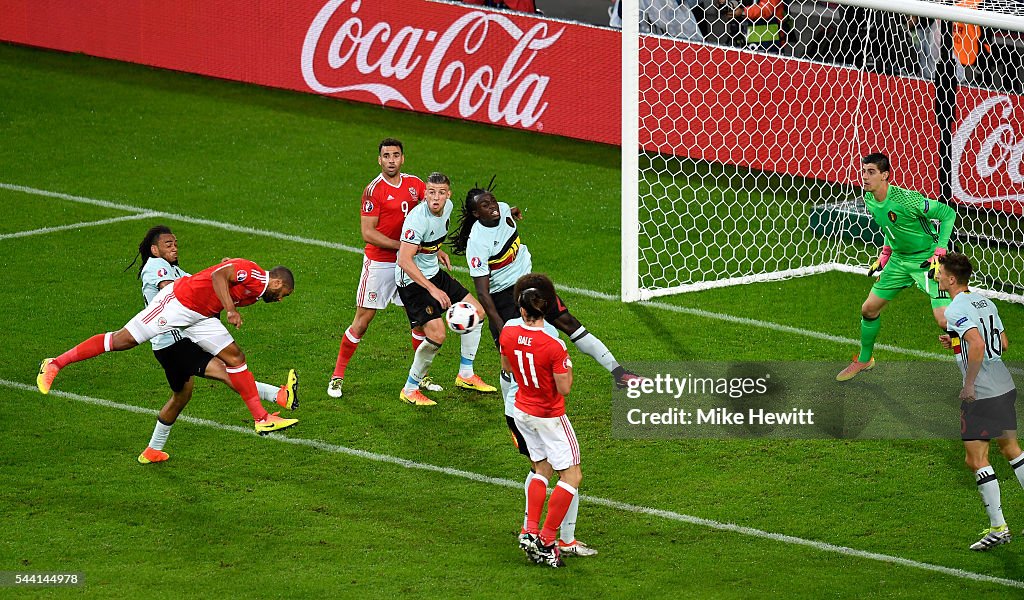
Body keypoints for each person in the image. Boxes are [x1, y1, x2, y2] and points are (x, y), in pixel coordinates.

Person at [37, 258, 298, 435]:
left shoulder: (254, 293)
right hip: (177, 303)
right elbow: (220, 275)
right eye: (283, 295)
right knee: (122, 341)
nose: (280, 300)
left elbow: (223, 266)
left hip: (201, 316)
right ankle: (55, 363)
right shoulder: (253, 274)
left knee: (236, 358)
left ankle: (262, 419)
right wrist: (230, 310)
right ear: (277, 283)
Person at [129, 225, 299, 464]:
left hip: (171, 342)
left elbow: (200, 286)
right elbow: (172, 296)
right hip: (175, 340)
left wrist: (224, 273)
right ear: (154, 250)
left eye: (176, 243)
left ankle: (152, 450)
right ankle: (278, 397)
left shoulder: (173, 269)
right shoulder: (156, 267)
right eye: (168, 245)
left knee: (181, 397)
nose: (174, 248)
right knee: (228, 368)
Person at [449, 187, 646, 390]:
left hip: (529, 284)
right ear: (476, 214)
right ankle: (514, 411)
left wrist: (514, 211)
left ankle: (620, 374)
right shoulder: (478, 243)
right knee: (513, 362)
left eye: (493, 201)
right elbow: (482, 291)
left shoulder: (504, 209)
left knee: (570, 323)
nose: (493, 207)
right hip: (503, 299)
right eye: (485, 205)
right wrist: (499, 325)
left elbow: (508, 211)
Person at [327, 138, 442, 399]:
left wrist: (434, 246)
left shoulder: (416, 185)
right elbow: (368, 233)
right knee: (362, 322)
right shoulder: (373, 191)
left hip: (408, 263)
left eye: (396, 155)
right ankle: (337, 376)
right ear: (379, 160)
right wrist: (402, 246)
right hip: (380, 263)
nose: (391, 160)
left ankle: (420, 377)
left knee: (419, 322)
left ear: (403, 158)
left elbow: (430, 215)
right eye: (386, 156)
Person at [836, 153, 956, 381]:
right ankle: (864, 359)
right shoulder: (870, 199)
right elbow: (890, 228)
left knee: (945, 321)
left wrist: (940, 251)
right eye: (863, 171)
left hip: (926, 260)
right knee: (868, 310)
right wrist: (886, 253)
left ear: (885, 175)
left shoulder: (907, 200)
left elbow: (948, 213)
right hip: (899, 261)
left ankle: (978, 365)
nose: (865, 177)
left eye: (871, 172)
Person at [936, 253, 1022, 551]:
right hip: (1003, 384)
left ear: (950, 279)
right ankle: (999, 528)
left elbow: (978, 343)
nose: (936, 273)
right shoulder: (986, 302)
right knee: (1012, 450)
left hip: (982, 392)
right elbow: (1003, 343)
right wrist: (956, 340)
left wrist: (970, 384)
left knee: (975, 460)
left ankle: (999, 528)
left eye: (940, 270)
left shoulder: (955, 307)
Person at [500, 275, 581, 568]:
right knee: (571, 476)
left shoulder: (508, 331)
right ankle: (547, 540)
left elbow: (507, 366)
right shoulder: (553, 344)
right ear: (544, 310)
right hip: (549, 415)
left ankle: (528, 530)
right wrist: (567, 366)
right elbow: (564, 388)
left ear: (522, 310)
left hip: (521, 410)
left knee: (541, 468)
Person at [395, 172, 496, 406]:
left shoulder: (448, 207)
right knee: (437, 334)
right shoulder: (416, 219)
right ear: (425, 194)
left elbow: (430, 240)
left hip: (433, 273)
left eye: (441, 193)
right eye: (431, 192)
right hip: (412, 282)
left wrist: (437, 251)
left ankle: (466, 375)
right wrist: (433, 289)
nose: (436, 198)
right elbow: (404, 260)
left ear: (448, 195)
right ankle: (410, 389)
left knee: (478, 312)